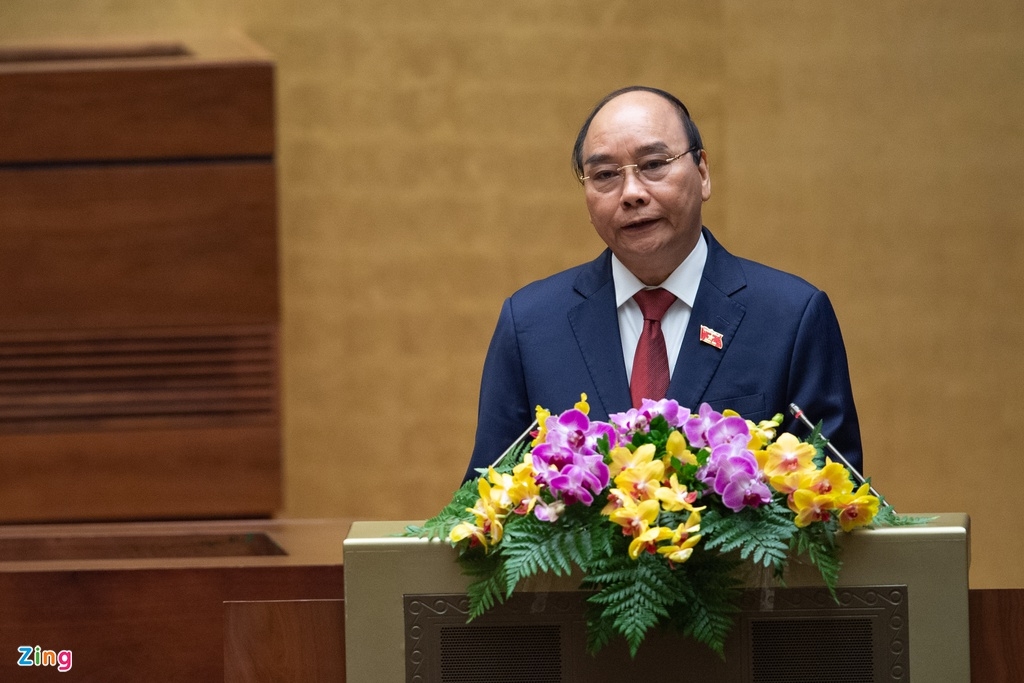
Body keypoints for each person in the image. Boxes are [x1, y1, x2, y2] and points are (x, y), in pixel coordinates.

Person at [464, 86, 861, 481]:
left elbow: (831, 509)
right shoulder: (531, 326)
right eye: (605, 175)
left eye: (654, 165)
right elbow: (483, 504)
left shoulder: (791, 318)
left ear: (702, 173)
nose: (632, 193)